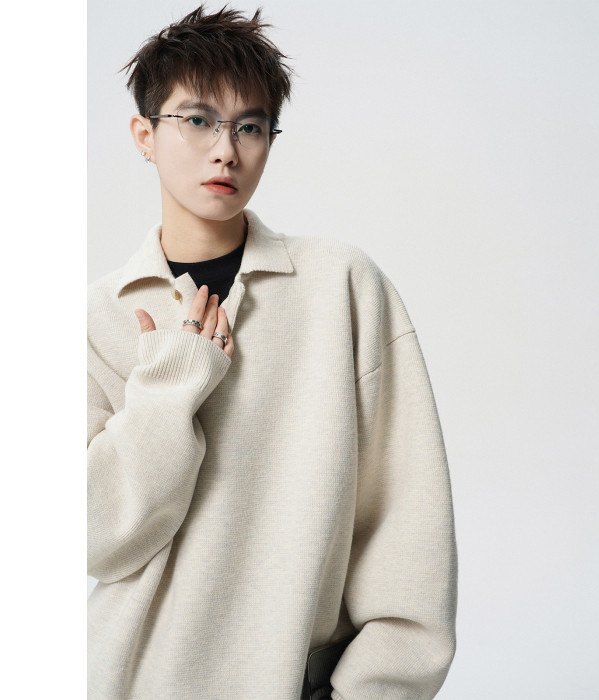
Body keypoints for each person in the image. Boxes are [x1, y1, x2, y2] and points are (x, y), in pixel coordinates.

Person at [87, 4, 458, 699]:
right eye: (197, 120)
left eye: (250, 126)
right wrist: (169, 388)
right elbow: (97, 540)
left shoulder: (342, 287)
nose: (226, 149)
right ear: (144, 135)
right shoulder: (96, 320)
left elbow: (407, 523)